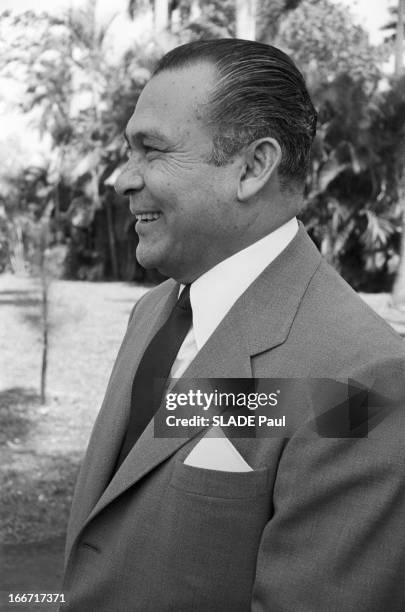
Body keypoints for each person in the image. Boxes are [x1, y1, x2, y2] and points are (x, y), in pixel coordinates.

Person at [60, 39, 405, 611]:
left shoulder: (363, 379)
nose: (122, 179)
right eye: (129, 150)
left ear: (252, 167)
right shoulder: (155, 311)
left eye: (153, 151)